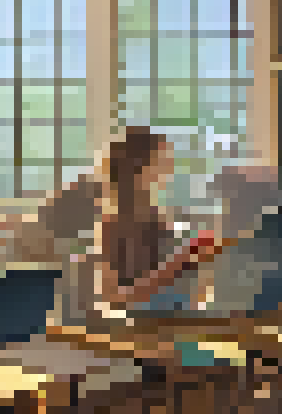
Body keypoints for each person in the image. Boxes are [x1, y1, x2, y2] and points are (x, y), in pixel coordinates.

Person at [93, 127, 218, 311]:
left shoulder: (162, 218)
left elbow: (191, 294)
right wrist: (177, 265)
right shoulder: (112, 224)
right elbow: (114, 299)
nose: (170, 168)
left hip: (178, 324)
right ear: (139, 169)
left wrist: (202, 265)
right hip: (139, 332)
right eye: (162, 161)